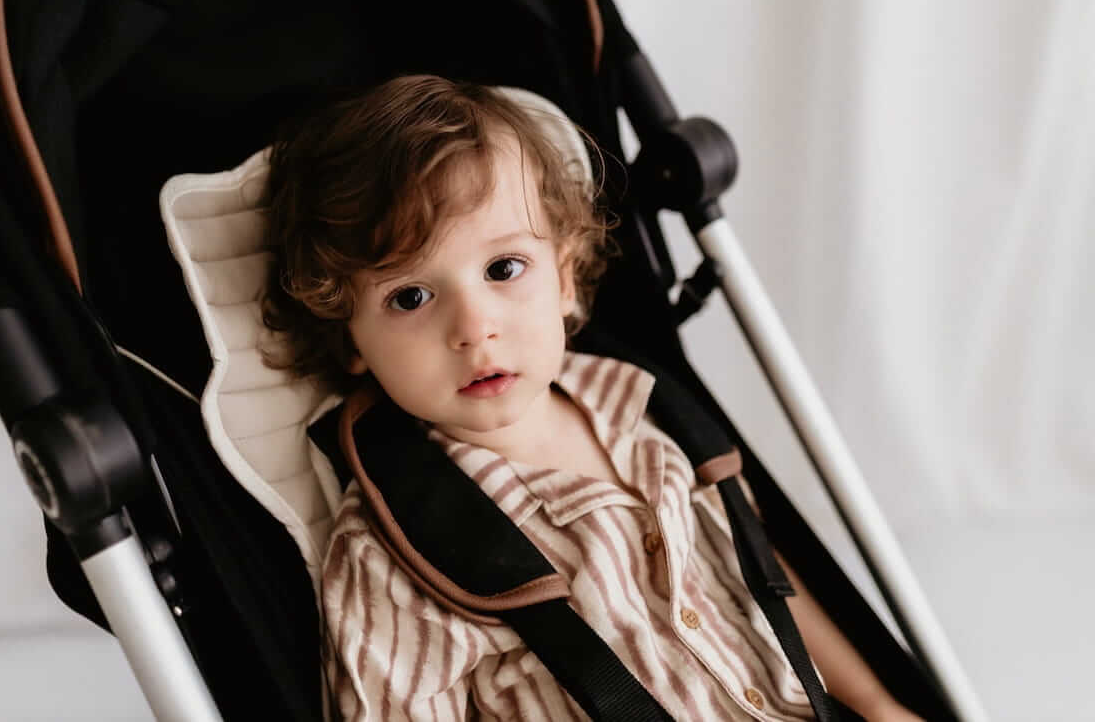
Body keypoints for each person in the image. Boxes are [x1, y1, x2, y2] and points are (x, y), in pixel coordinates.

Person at [261, 75, 922, 721]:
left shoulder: (649, 410)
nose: (474, 327)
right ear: (350, 339)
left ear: (565, 279)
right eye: (410, 296)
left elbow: (761, 576)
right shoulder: (393, 550)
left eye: (503, 268)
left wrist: (875, 703)